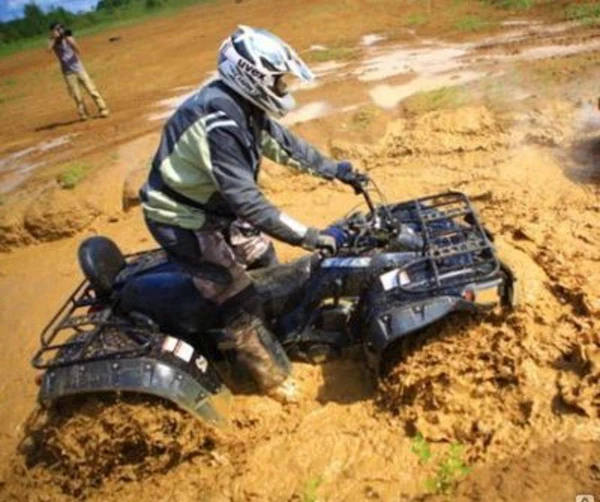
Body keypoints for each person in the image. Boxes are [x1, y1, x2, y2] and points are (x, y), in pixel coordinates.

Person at [140, 25, 362, 402]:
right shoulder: (219, 120)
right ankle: (273, 380)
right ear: (251, 76)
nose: (283, 89)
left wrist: (336, 170)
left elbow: (287, 147)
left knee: (264, 259)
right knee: (237, 297)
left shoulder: (245, 109)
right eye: (279, 82)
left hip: (218, 209)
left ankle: (279, 333)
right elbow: (248, 202)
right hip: (183, 220)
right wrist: (309, 235)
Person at [48, 22, 110, 120]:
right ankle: (83, 114)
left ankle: (103, 109)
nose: (60, 31)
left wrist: (70, 40)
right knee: (76, 95)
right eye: (57, 29)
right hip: (67, 72)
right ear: (52, 32)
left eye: (60, 29)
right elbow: (48, 50)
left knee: (91, 89)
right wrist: (55, 38)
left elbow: (78, 50)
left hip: (79, 69)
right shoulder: (52, 41)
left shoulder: (68, 38)